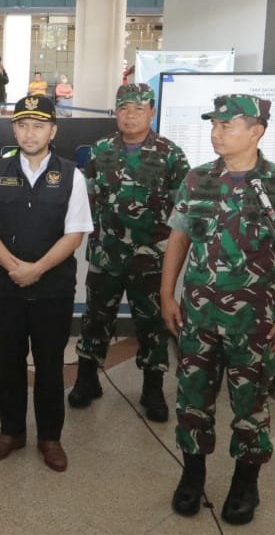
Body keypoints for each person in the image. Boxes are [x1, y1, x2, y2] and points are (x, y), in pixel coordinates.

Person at [161, 94, 275, 526]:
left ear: (256, 131)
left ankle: (246, 483)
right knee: (192, 401)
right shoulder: (197, 180)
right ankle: (192, 476)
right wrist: (167, 296)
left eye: (227, 126)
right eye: (215, 125)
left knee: (250, 404)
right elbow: (177, 240)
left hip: (256, 320)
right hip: (199, 317)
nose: (217, 132)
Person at [0, 94, 92, 473]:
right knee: (8, 361)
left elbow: (75, 235)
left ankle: (49, 437)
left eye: (38, 125)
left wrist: (36, 269)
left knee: (50, 364)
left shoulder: (72, 175)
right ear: (14, 129)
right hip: (7, 285)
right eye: (22, 125)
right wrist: (14, 267)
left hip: (53, 289)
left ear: (53, 130)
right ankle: (11, 432)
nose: (29, 132)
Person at [67, 84, 190, 422]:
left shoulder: (171, 154)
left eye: (138, 109)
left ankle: (152, 387)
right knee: (95, 318)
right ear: (116, 112)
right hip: (107, 255)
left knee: (151, 323)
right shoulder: (101, 150)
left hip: (152, 258)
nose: (130, 115)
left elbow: (183, 212)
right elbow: (87, 198)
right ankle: (87, 378)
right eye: (123, 109)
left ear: (151, 112)